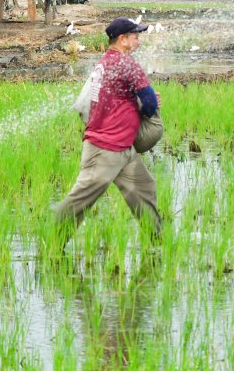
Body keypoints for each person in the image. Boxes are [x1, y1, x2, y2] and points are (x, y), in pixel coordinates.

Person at [54, 17, 161, 238]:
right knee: (80, 200)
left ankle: (157, 244)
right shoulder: (126, 63)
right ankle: (50, 240)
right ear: (122, 39)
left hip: (123, 148)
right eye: (135, 36)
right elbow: (149, 102)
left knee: (144, 187)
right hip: (106, 149)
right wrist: (148, 110)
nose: (138, 41)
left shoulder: (104, 63)